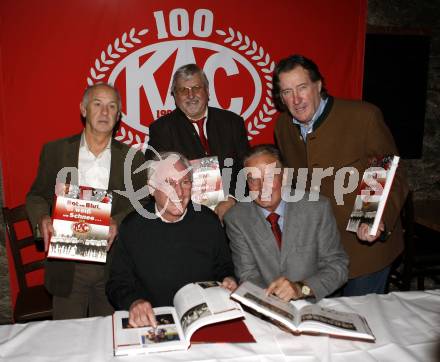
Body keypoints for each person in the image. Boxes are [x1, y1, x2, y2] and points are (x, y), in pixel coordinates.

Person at [272, 54, 409, 296]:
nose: (296, 99)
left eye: (302, 88)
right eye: (287, 92)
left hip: (364, 252)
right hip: (319, 254)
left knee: (361, 325)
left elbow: (387, 170)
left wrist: (372, 219)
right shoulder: (282, 127)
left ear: (318, 85)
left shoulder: (363, 116)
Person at [26, 83, 147, 319]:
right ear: (83, 109)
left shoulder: (133, 158)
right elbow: (36, 195)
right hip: (68, 266)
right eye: (97, 104)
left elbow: (142, 203)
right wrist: (42, 217)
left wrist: (118, 222)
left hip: (115, 266)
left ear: (118, 115)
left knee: (110, 342)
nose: (104, 112)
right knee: (69, 341)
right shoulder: (56, 151)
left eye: (111, 106)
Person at [106, 151, 237, 327]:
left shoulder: (208, 221)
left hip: (206, 319)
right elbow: (117, 283)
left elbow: (224, 266)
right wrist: (133, 302)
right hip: (153, 321)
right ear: (151, 188)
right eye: (169, 183)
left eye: (185, 182)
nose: (179, 192)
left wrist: (229, 279)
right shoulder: (132, 227)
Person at [224, 145, 348, 301]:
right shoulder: (236, 218)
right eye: (253, 179)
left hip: (316, 302)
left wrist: (300, 288)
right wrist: (274, 305)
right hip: (267, 305)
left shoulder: (317, 208)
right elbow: (248, 275)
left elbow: (337, 268)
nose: (262, 187)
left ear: (284, 177)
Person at [146, 63, 250, 221]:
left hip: (234, 212)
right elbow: (155, 178)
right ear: (174, 95)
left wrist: (232, 198)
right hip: (187, 217)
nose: (191, 95)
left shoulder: (232, 122)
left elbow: (247, 167)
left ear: (207, 91)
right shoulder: (161, 130)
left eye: (196, 87)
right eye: (183, 90)